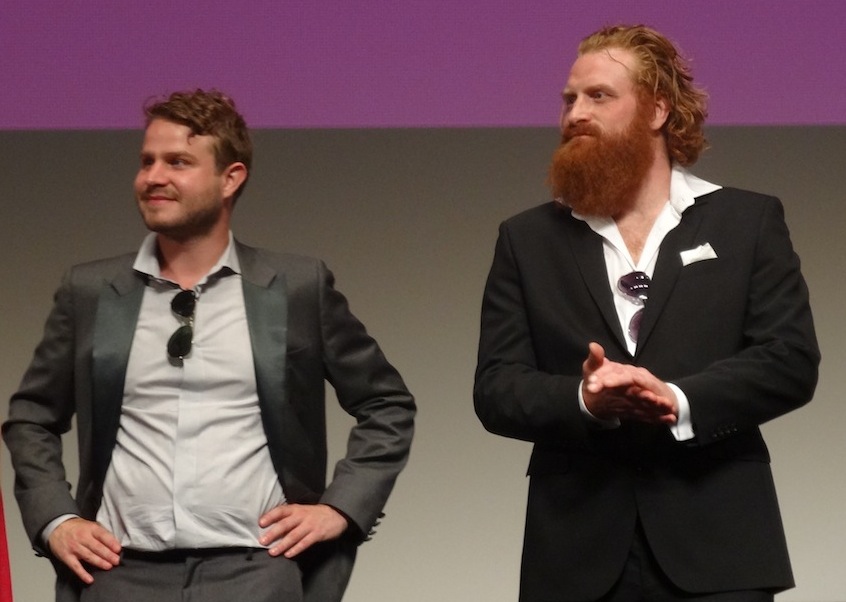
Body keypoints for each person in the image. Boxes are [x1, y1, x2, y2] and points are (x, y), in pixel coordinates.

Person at [3, 89, 415, 602]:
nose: (153, 177)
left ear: (230, 178)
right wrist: (56, 519)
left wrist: (341, 507)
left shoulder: (294, 287)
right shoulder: (91, 291)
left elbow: (385, 403)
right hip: (118, 571)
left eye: (178, 162)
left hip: (256, 571)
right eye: (147, 161)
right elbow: (32, 417)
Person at [474, 24, 819, 602]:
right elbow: (496, 387)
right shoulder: (527, 238)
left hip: (720, 550)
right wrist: (585, 401)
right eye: (569, 99)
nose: (575, 114)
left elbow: (789, 361)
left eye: (598, 96)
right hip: (575, 556)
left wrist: (677, 400)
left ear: (658, 110)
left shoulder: (746, 222)